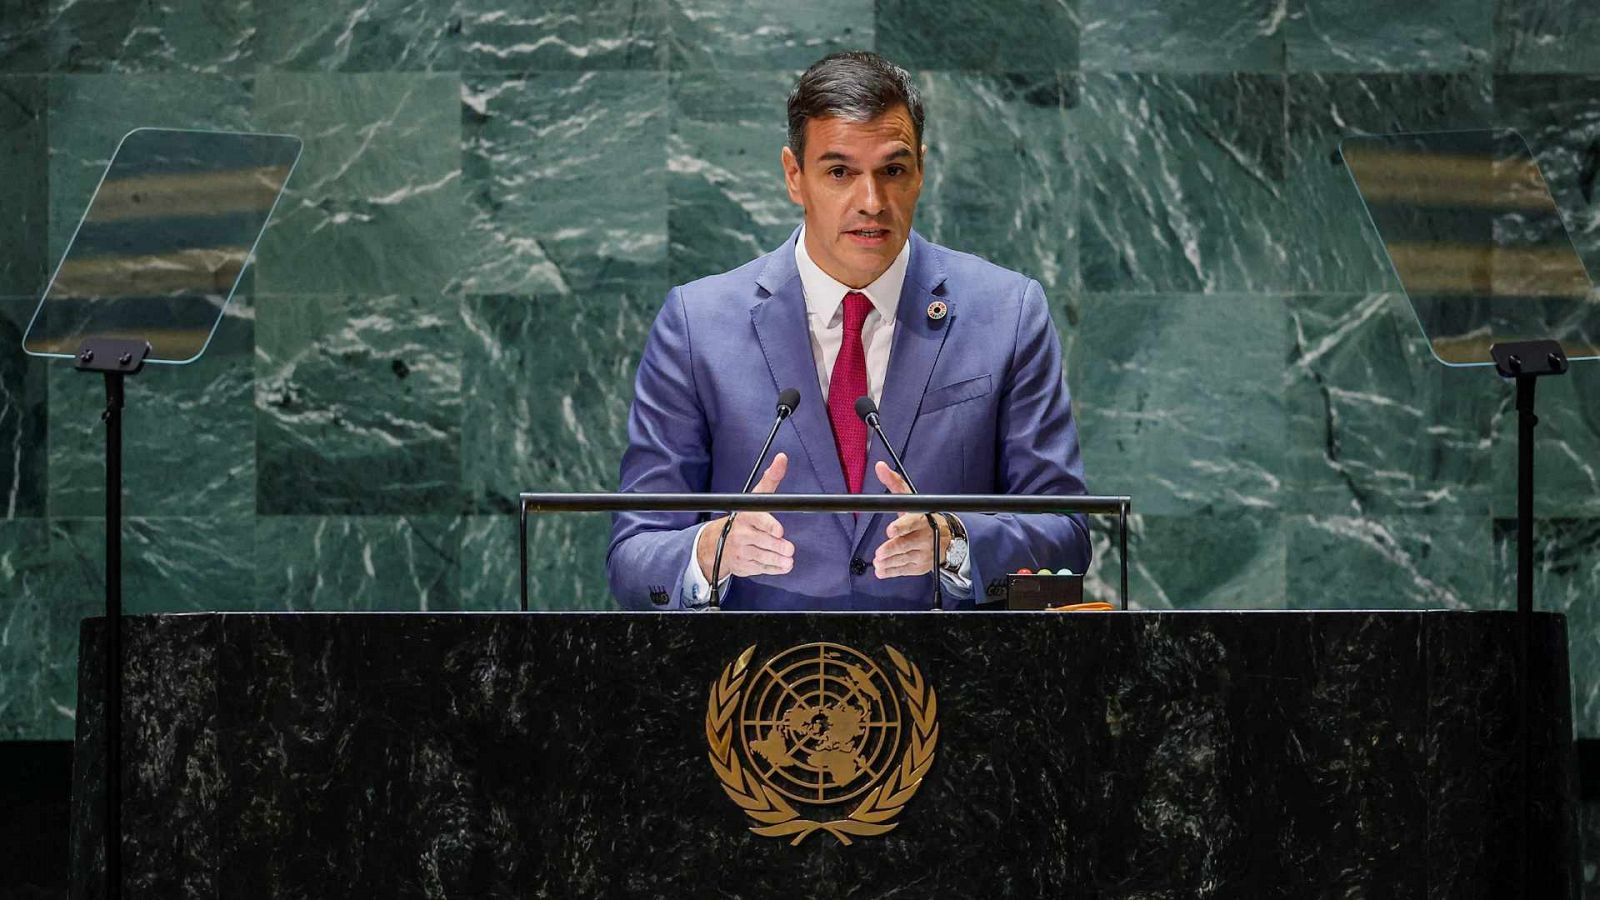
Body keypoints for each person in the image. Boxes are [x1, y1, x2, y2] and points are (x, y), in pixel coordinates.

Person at [607, 50, 1090, 611]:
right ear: (795, 176)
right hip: (756, 683)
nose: (871, 202)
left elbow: (1066, 532)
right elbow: (634, 555)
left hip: (957, 681)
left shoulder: (1007, 313)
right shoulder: (697, 324)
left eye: (893, 170)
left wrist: (956, 542)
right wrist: (710, 550)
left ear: (921, 172)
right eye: (840, 172)